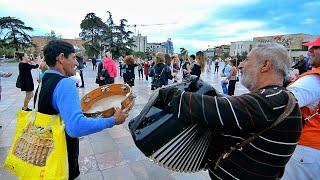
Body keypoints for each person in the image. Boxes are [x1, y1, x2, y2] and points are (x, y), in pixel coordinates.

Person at [156, 43, 302, 179]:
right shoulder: (277, 98)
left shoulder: (274, 99)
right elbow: (241, 110)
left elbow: (220, 109)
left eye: (246, 59)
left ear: (265, 65)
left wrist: (169, 95)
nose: (241, 66)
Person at [40, 40, 128, 179]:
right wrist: (113, 120)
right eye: (74, 58)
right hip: (61, 156)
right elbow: (76, 128)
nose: (76, 63)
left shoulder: (44, 79)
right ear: (61, 58)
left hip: (45, 152)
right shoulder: (65, 84)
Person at [282, 37, 320, 180]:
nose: (310, 50)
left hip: (305, 149)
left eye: (316, 47)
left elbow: (280, 105)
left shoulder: (313, 80)